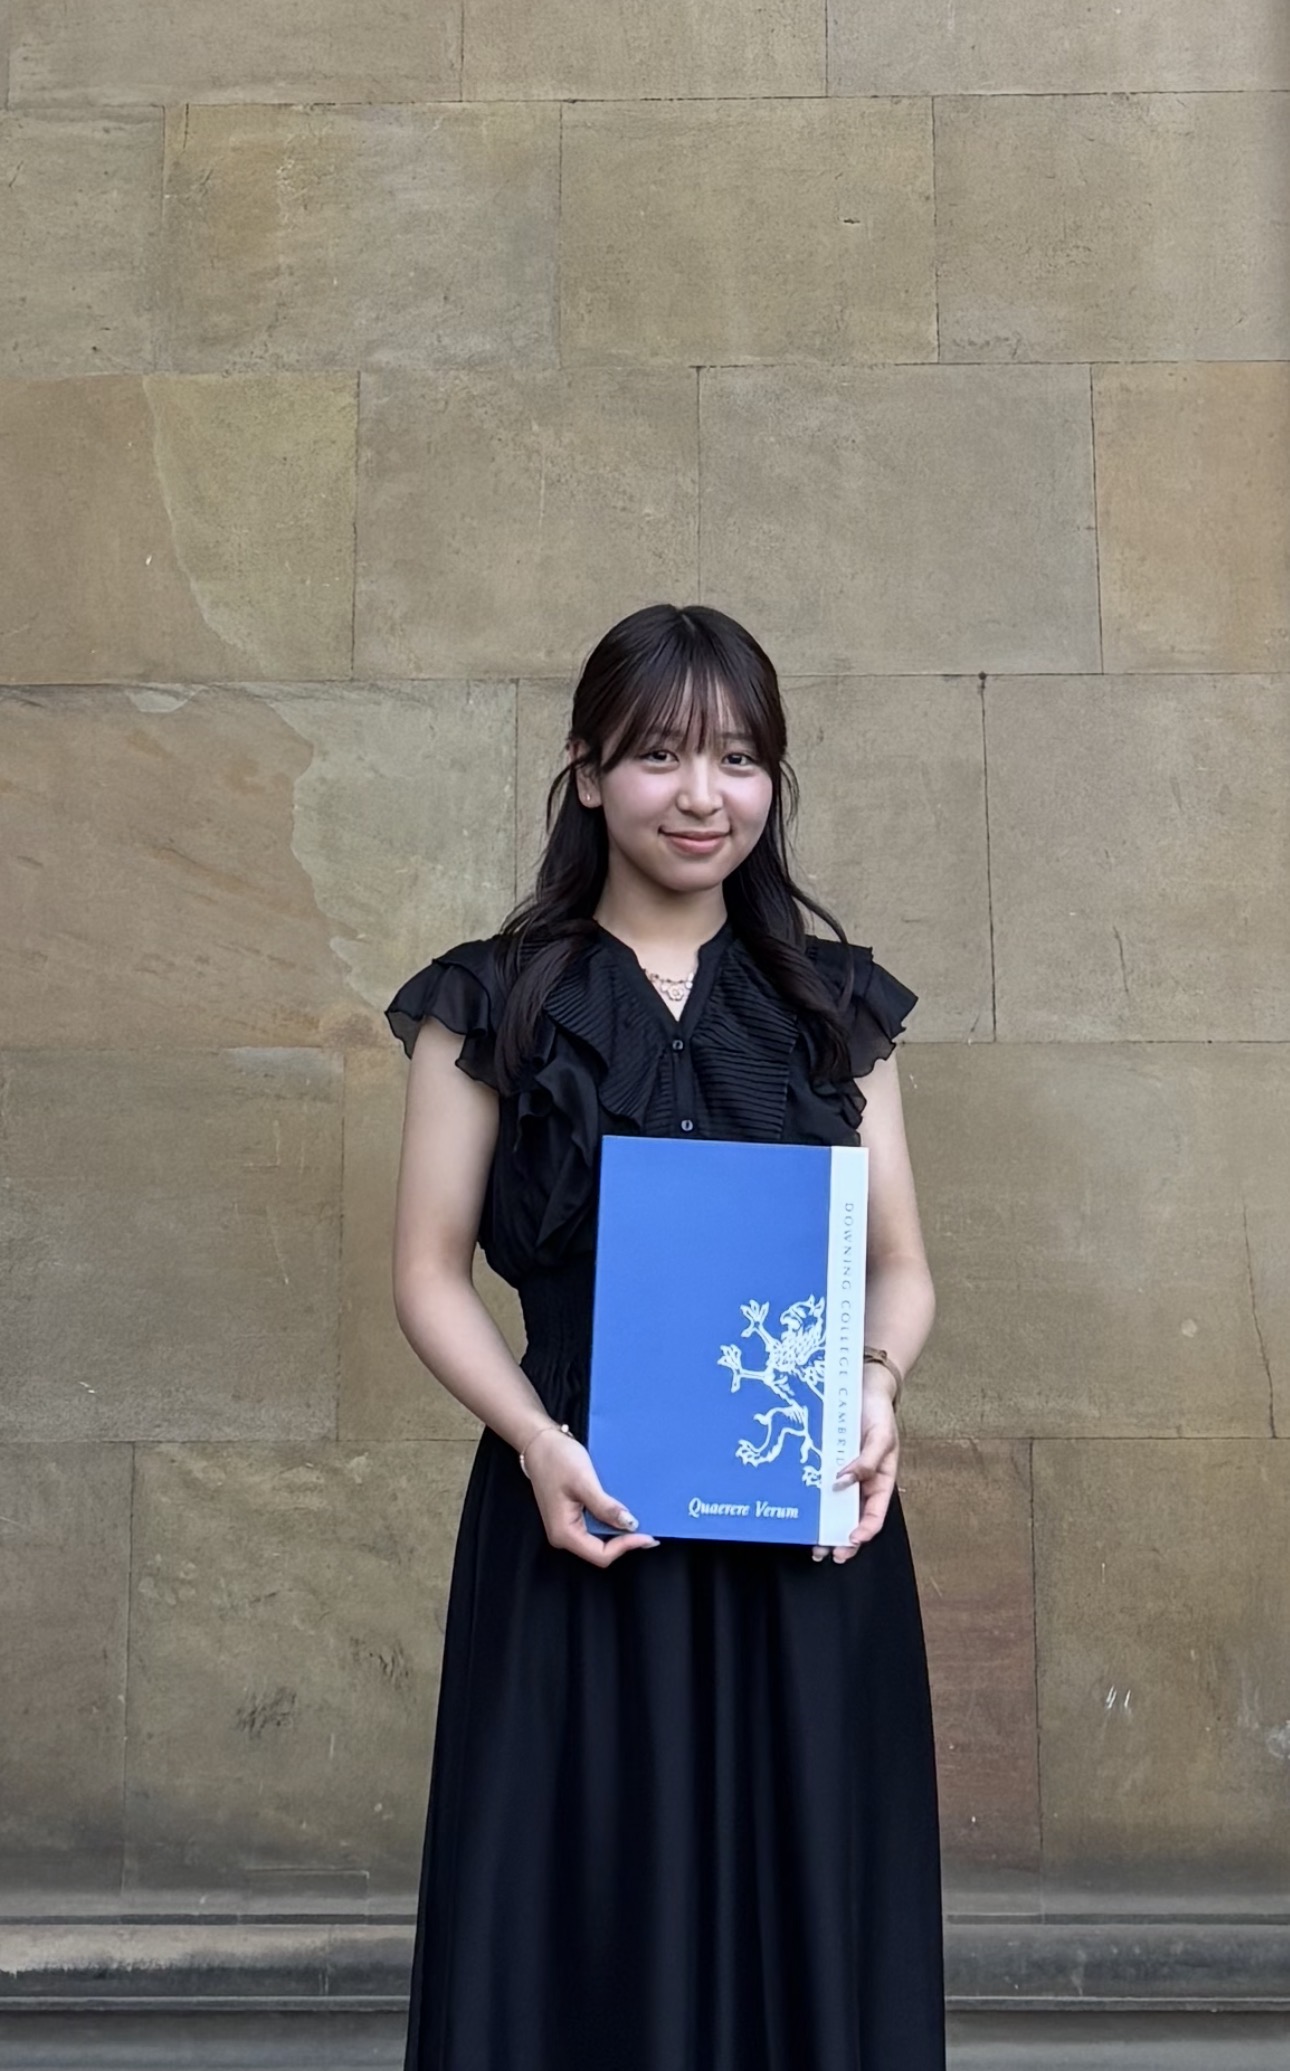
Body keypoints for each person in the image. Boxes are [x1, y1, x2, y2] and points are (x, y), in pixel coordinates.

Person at [386, 602, 945, 2070]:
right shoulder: (491, 999)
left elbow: (899, 1268)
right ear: (586, 773)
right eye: (660, 755)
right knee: (574, 1896)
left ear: (772, 782)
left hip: (802, 1507)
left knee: (801, 1891)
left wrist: (874, 1385)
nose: (703, 795)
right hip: (581, 1501)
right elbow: (428, 1275)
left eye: (739, 759)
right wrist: (533, 1442)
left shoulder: (835, 1006)